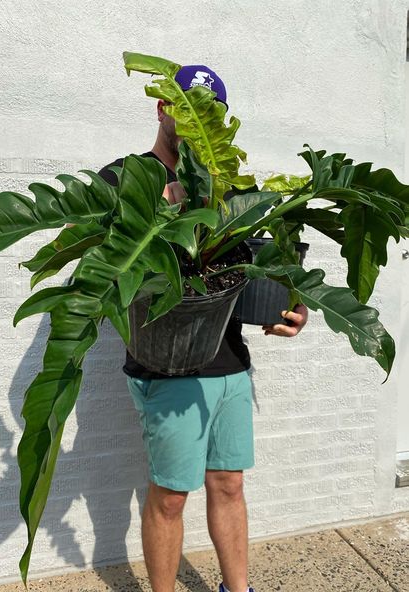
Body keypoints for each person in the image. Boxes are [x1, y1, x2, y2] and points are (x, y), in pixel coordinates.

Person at [97, 65, 308, 592]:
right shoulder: (125, 178)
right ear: (163, 108)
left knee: (230, 484)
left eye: (208, 114)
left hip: (230, 361)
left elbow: (272, 256)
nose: (195, 123)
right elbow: (104, 254)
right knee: (171, 495)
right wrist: (159, 209)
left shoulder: (228, 189)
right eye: (186, 108)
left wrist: (294, 304)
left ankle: (239, 589)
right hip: (167, 363)